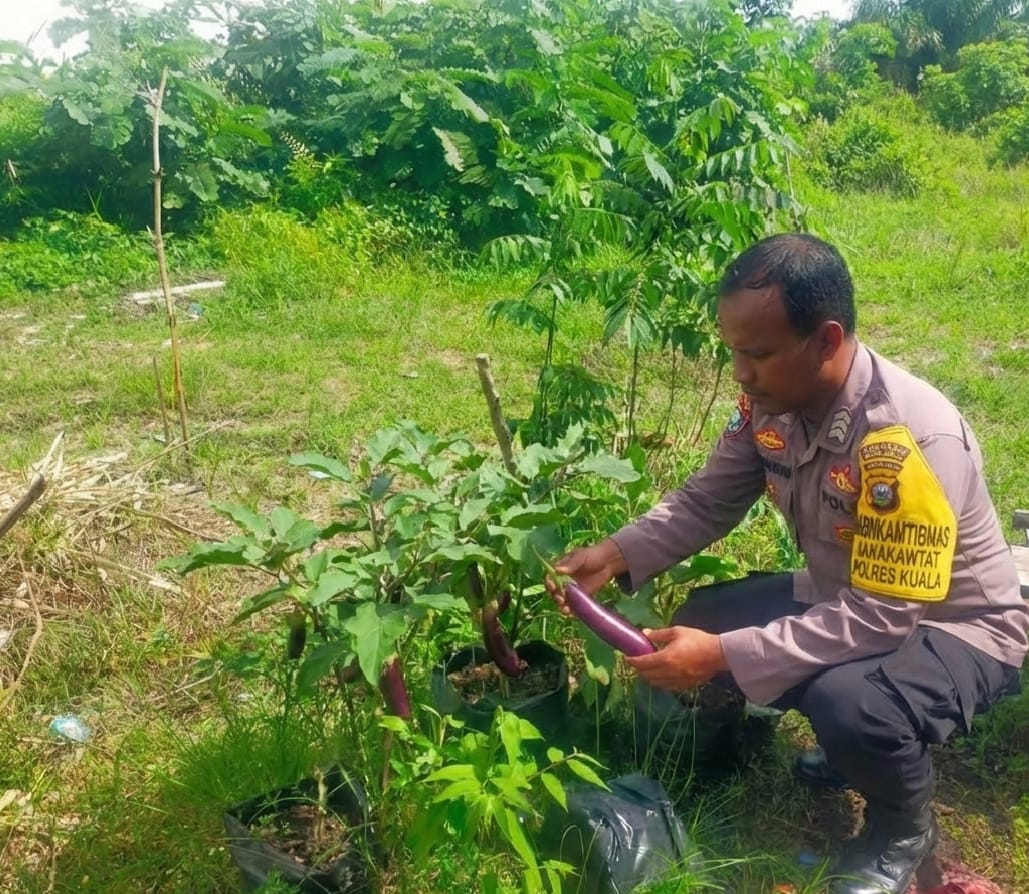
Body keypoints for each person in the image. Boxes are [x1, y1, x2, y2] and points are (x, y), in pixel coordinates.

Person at [548, 233, 1028, 894]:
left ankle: (901, 827)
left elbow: (884, 617)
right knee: (706, 613)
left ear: (826, 340)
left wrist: (719, 657)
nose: (739, 374)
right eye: (732, 352)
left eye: (757, 354)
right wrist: (617, 552)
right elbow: (710, 496)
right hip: (847, 595)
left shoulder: (905, 441)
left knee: (852, 703)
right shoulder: (775, 404)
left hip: (954, 625)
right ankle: (768, 751)